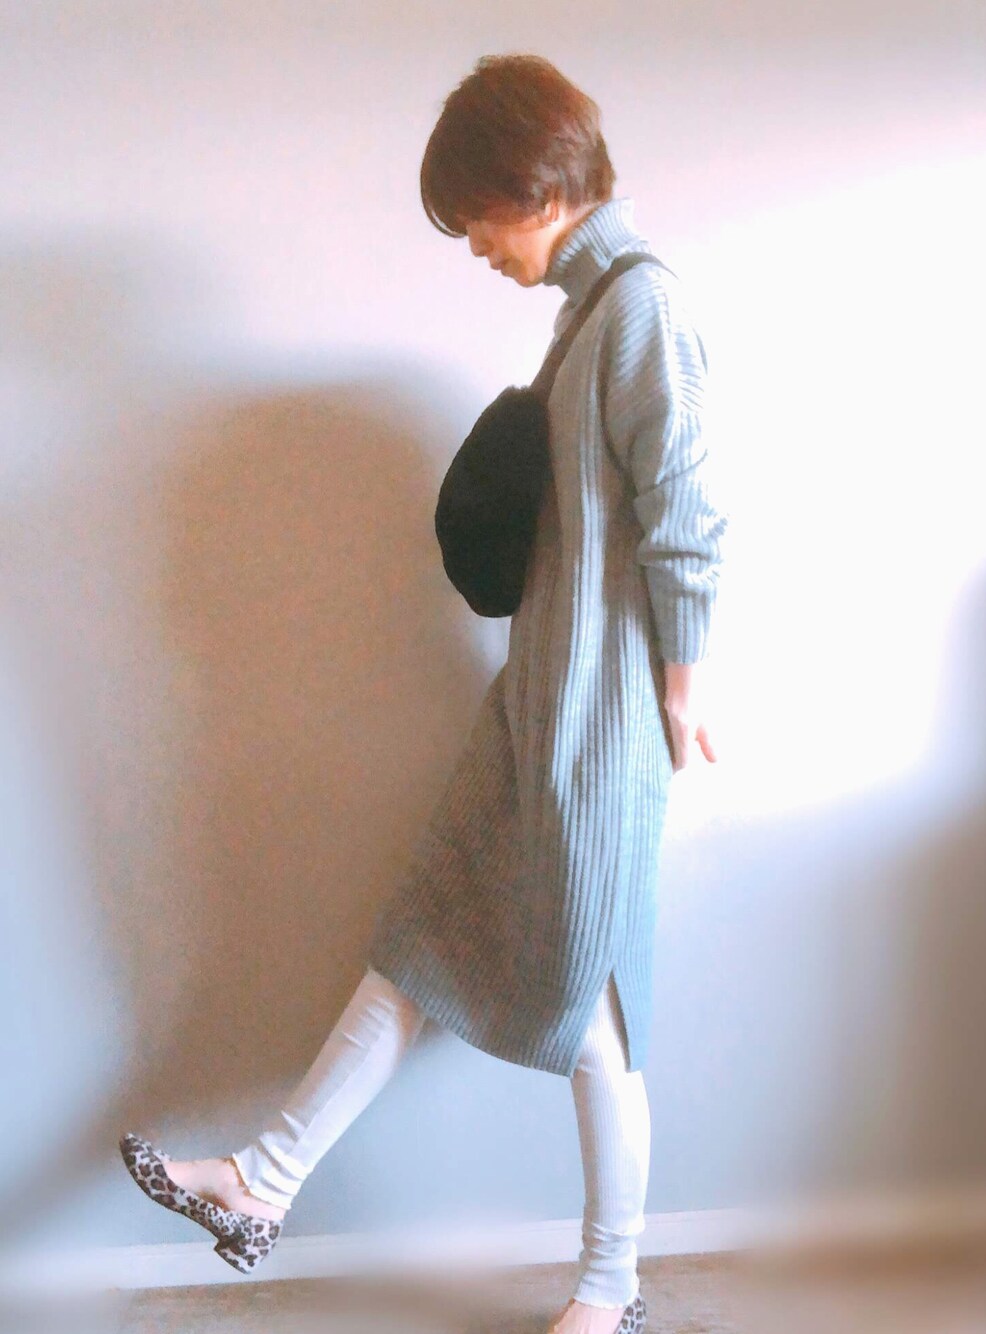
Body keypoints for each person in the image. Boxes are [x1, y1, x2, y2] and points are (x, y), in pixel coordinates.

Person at [119, 52, 728, 1334]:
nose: (473, 248)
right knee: (424, 936)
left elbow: (686, 511)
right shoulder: (584, 313)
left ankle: (609, 1286)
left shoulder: (639, 305)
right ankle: (263, 1179)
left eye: (476, 220)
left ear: (535, 186)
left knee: (596, 1006)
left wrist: (678, 687)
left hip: (595, 722)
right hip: (534, 705)